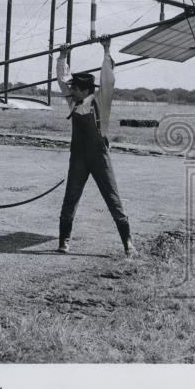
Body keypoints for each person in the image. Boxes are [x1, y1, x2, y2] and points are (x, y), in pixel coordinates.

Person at [55, 36, 136, 256]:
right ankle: (64, 241)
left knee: (112, 197)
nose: (70, 91)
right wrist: (62, 56)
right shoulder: (74, 102)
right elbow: (63, 80)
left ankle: (128, 243)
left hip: (99, 157)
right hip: (78, 157)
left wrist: (106, 49)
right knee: (70, 196)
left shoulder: (101, 100)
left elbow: (108, 78)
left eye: (75, 89)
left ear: (85, 90)